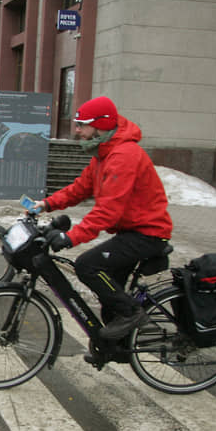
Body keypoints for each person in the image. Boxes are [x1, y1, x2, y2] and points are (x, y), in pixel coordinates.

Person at [34, 96, 172, 350]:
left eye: (82, 125)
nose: (77, 131)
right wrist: (47, 204)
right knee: (110, 302)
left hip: (148, 233)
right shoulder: (103, 154)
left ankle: (133, 314)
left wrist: (71, 237)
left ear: (101, 125)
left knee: (88, 265)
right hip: (130, 232)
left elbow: (107, 211)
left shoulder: (124, 156)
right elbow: (80, 188)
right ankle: (117, 349)